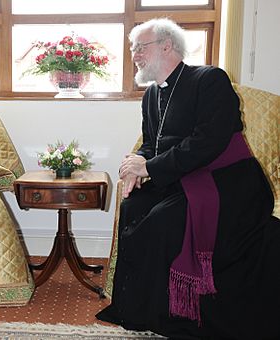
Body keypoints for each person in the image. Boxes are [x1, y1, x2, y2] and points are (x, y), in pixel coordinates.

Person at [96, 18, 280, 340]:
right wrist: (136, 161)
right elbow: (152, 141)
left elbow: (208, 141)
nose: (134, 55)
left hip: (229, 182)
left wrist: (150, 168)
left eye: (140, 47)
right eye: (132, 49)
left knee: (163, 220)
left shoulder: (209, 79)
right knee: (134, 207)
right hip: (182, 177)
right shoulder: (151, 95)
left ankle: (178, 315)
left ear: (166, 46)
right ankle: (138, 309)